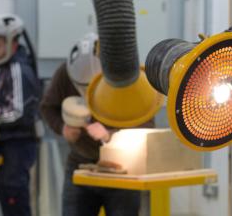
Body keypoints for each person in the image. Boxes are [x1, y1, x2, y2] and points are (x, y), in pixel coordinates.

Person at [40, 32, 150, 216]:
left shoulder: (128, 80)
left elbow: (146, 126)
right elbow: (47, 107)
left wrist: (111, 136)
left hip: (122, 171)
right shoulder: (66, 73)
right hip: (80, 165)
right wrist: (63, 128)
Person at [0, 14, 42, 216]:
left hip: (17, 148)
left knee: (15, 204)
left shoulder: (17, 69)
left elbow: (17, 112)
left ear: (12, 44)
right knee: (9, 203)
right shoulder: (5, 68)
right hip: (10, 147)